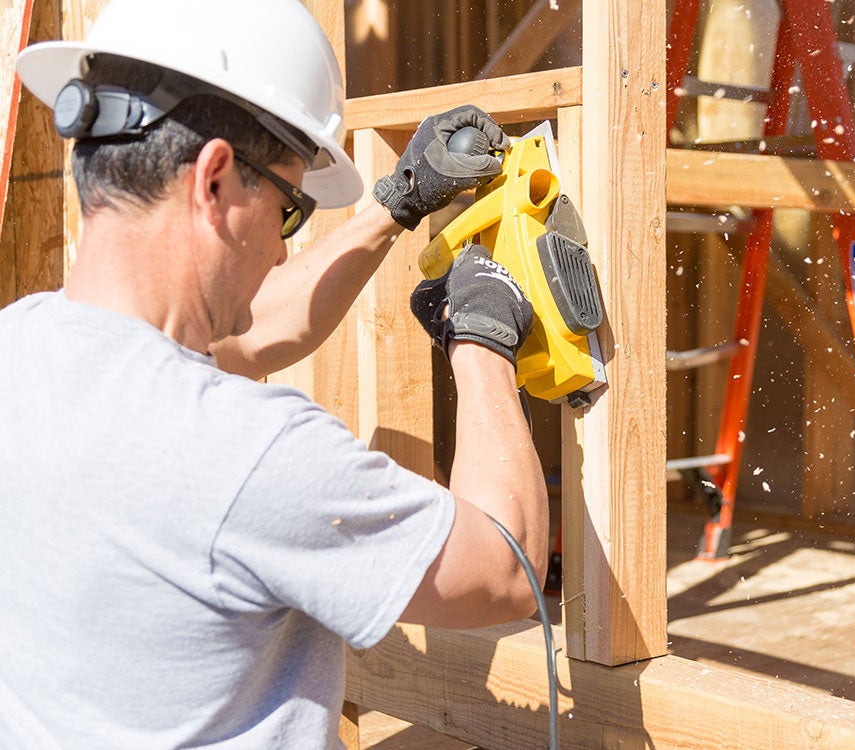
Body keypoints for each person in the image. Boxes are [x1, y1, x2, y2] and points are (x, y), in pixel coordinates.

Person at [0, 0, 548, 748]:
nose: (284, 252)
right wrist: (482, 332)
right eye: (289, 212)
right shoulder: (247, 454)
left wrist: (394, 207)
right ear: (216, 179)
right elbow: (508, 566)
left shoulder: (22, 353)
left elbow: (259, 327)